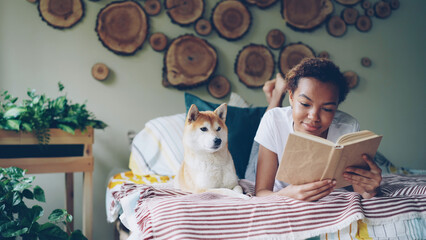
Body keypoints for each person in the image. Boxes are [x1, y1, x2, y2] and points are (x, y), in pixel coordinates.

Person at [254, 58, 382, 201]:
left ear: (337, 107)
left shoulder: (348, 127)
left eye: (327, 109)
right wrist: (286, 195)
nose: (314, 117)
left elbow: (363, 193)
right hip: (271, 134)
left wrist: (371, 189)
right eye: (304, 104)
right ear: (290, 96)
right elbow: (261, 193)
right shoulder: (273, 120)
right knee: (253, 156)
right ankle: (277, 94)